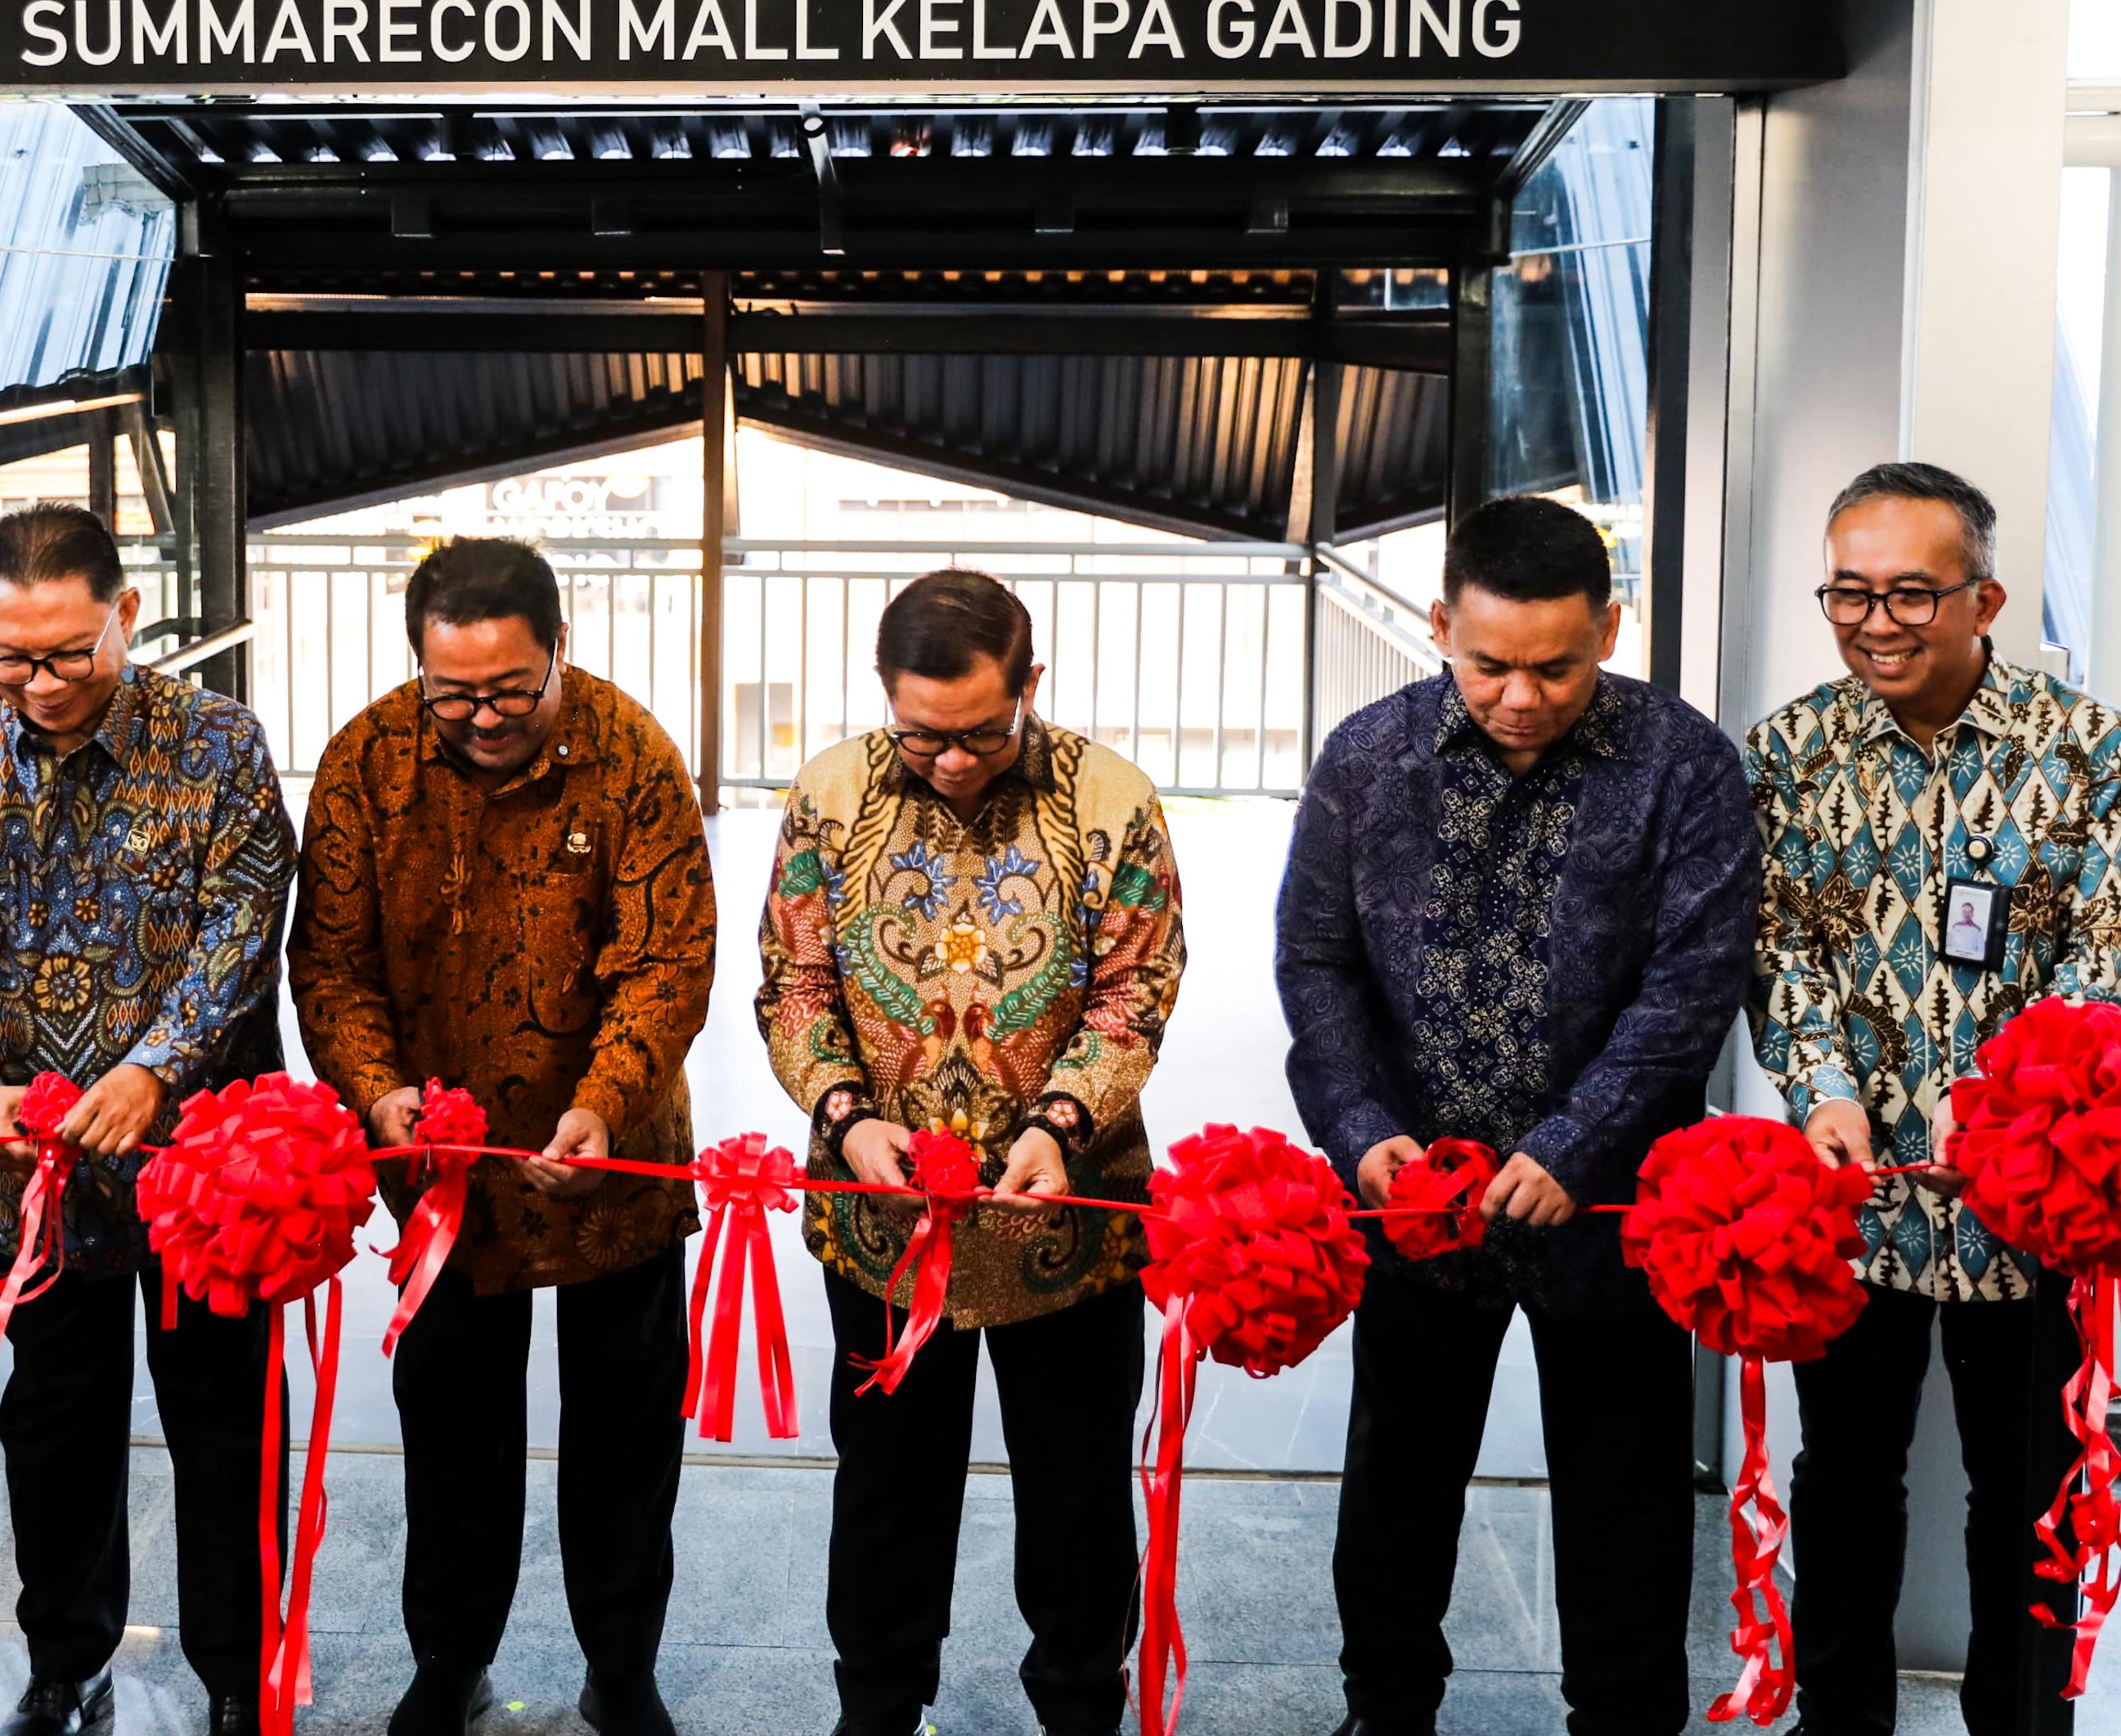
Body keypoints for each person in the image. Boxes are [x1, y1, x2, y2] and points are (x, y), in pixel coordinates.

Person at [1275, 495, 1760, 1736]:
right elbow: (1317, 962)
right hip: (1415, 1196)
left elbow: (1693, 986)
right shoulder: (1367, 758)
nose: (1522, 696)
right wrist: (1360, 1128)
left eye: (1558, 667)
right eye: (1491, 664)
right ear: (1443, 626)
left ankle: (1626, 1720)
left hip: (1610, 1206)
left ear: (1609, 629)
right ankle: (1385, 1711)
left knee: (1625, 1487)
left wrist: (1575, 1144)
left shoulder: (1685, 765)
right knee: (1398, 1479)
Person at [1750, 463, 2121, 1736]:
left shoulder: (2096, 755)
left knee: (2029, 1492)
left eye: (1909, 595)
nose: (1874, 623)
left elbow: (2106, 964)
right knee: (1843, 1485)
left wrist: (1998, 1113)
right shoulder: (1789, 753)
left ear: (1983, 599)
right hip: (1856, 1201)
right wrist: (1822, 1090)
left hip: (2033, 1207)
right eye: (1849, 593)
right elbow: (1781, 952)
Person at [0, 504, 294, 1736]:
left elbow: (243, 924)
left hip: (204, 1168)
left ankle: (237, 1674)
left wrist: (157, 1068)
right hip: (31, 1171)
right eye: (11, 658)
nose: (41, 683)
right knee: (54, 1420)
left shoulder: (217, 744)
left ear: (126, 616)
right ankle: (64, 1657)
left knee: (226, 1420)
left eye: (68, 653)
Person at [288, 538, 716, 1736]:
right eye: (454, 695)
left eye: (512, 692)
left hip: (610, 1159)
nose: (483, 718)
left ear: (559, 649)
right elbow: (330, 963)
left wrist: (607, 1101)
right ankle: (450, 1660)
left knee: (625, 1435)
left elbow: (667, 963)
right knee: (451, 1429)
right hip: (442, 1175)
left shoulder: (634, 756)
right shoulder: (366, 762)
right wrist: (377, 1093)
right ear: (418, 666)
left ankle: (621, 1668)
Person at [756, 569, 1184, 1736]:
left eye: (982, 734)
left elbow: (1135, 995)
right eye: (921, 735)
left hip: (1068, 1219)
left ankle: (1081, 1703)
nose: (950, 760)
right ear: (884, 693)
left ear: (1030, 684)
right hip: (883, 1216)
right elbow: (794, 985)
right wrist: (847, 1116)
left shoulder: (1112, 800)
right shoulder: (831, 793)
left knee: (1078, 1488)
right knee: (886, 1483)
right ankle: (878, 1703)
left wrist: (1059, 1123)